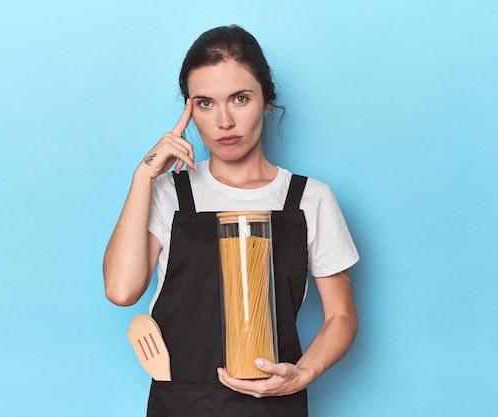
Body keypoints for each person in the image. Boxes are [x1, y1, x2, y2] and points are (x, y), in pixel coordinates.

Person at [103, 24, 359, 417]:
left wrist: (302, 373)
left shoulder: (310, 199)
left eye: (240, 98)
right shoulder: (169, 193)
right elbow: (122, 291)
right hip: (181, 403)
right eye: (205, 103)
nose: (223, 121)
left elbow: (341, 316)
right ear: (189, 109)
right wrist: (144, 176)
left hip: (274, 404)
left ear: (267, 100)